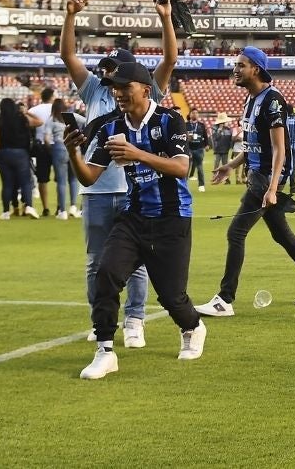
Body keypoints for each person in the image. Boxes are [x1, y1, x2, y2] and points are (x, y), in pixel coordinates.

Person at [65, 61, 204, 379]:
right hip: (134, 216)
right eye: (114, 88)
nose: (118, 94)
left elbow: (182, 168)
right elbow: (89, 177)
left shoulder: (170, 120)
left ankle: (192, 326)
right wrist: (73, 153)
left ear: (144, 88)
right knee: (106, 273)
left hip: (172, 218)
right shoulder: (110, 127)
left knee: (172, 296)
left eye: (124, 87)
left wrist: (136, 153)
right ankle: (105, 351)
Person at [60, 0, 177, 346]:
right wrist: (70, 17)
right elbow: (67, 56)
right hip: (96, 189)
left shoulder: (145, 91)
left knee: (137, 261)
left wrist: (165, 17)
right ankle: (102, 323)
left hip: (133, 188)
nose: (107, 77)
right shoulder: (94, 90)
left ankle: (135, 320)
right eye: (105, 71)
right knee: (96, 261)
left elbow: (170, 58)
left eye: (113, 72)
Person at [196, 47, 295, 317]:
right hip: (259, 176)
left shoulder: (272, 100)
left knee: (236, 233)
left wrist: (272, 189)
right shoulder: (251, 100)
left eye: (241, 65)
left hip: (265, 180)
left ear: (255, 69)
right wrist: (231, 165)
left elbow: (279, 148)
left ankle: (224, 300)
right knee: (281, 234)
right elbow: (252, 144)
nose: (235, 70)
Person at [0, 98, 41, 219]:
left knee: (7, 184)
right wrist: (26, 112)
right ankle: (29, 207)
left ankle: (6, 211)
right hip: (21, 152)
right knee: (25, 182)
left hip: (3, 152)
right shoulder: (22, 118)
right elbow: (39, 121)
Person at [29, 87, 56, 216]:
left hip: (40, 147)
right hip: (56, 144)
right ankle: (61, 207)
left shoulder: (34, 110)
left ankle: (45, 207)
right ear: (52, 96)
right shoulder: (58, 108)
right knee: (61, 178)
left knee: (42, 179)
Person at [186, 108, 209, 192]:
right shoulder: (186, 125)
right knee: (186, 168)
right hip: (189, 148)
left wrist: (206, 144)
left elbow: (205, 135)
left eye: (196, 113)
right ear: (190, 114)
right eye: (193, 113)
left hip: (199, 148)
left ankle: (201, 185)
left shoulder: (201, 125)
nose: (195, 114)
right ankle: (184, 185)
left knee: (200, 167)